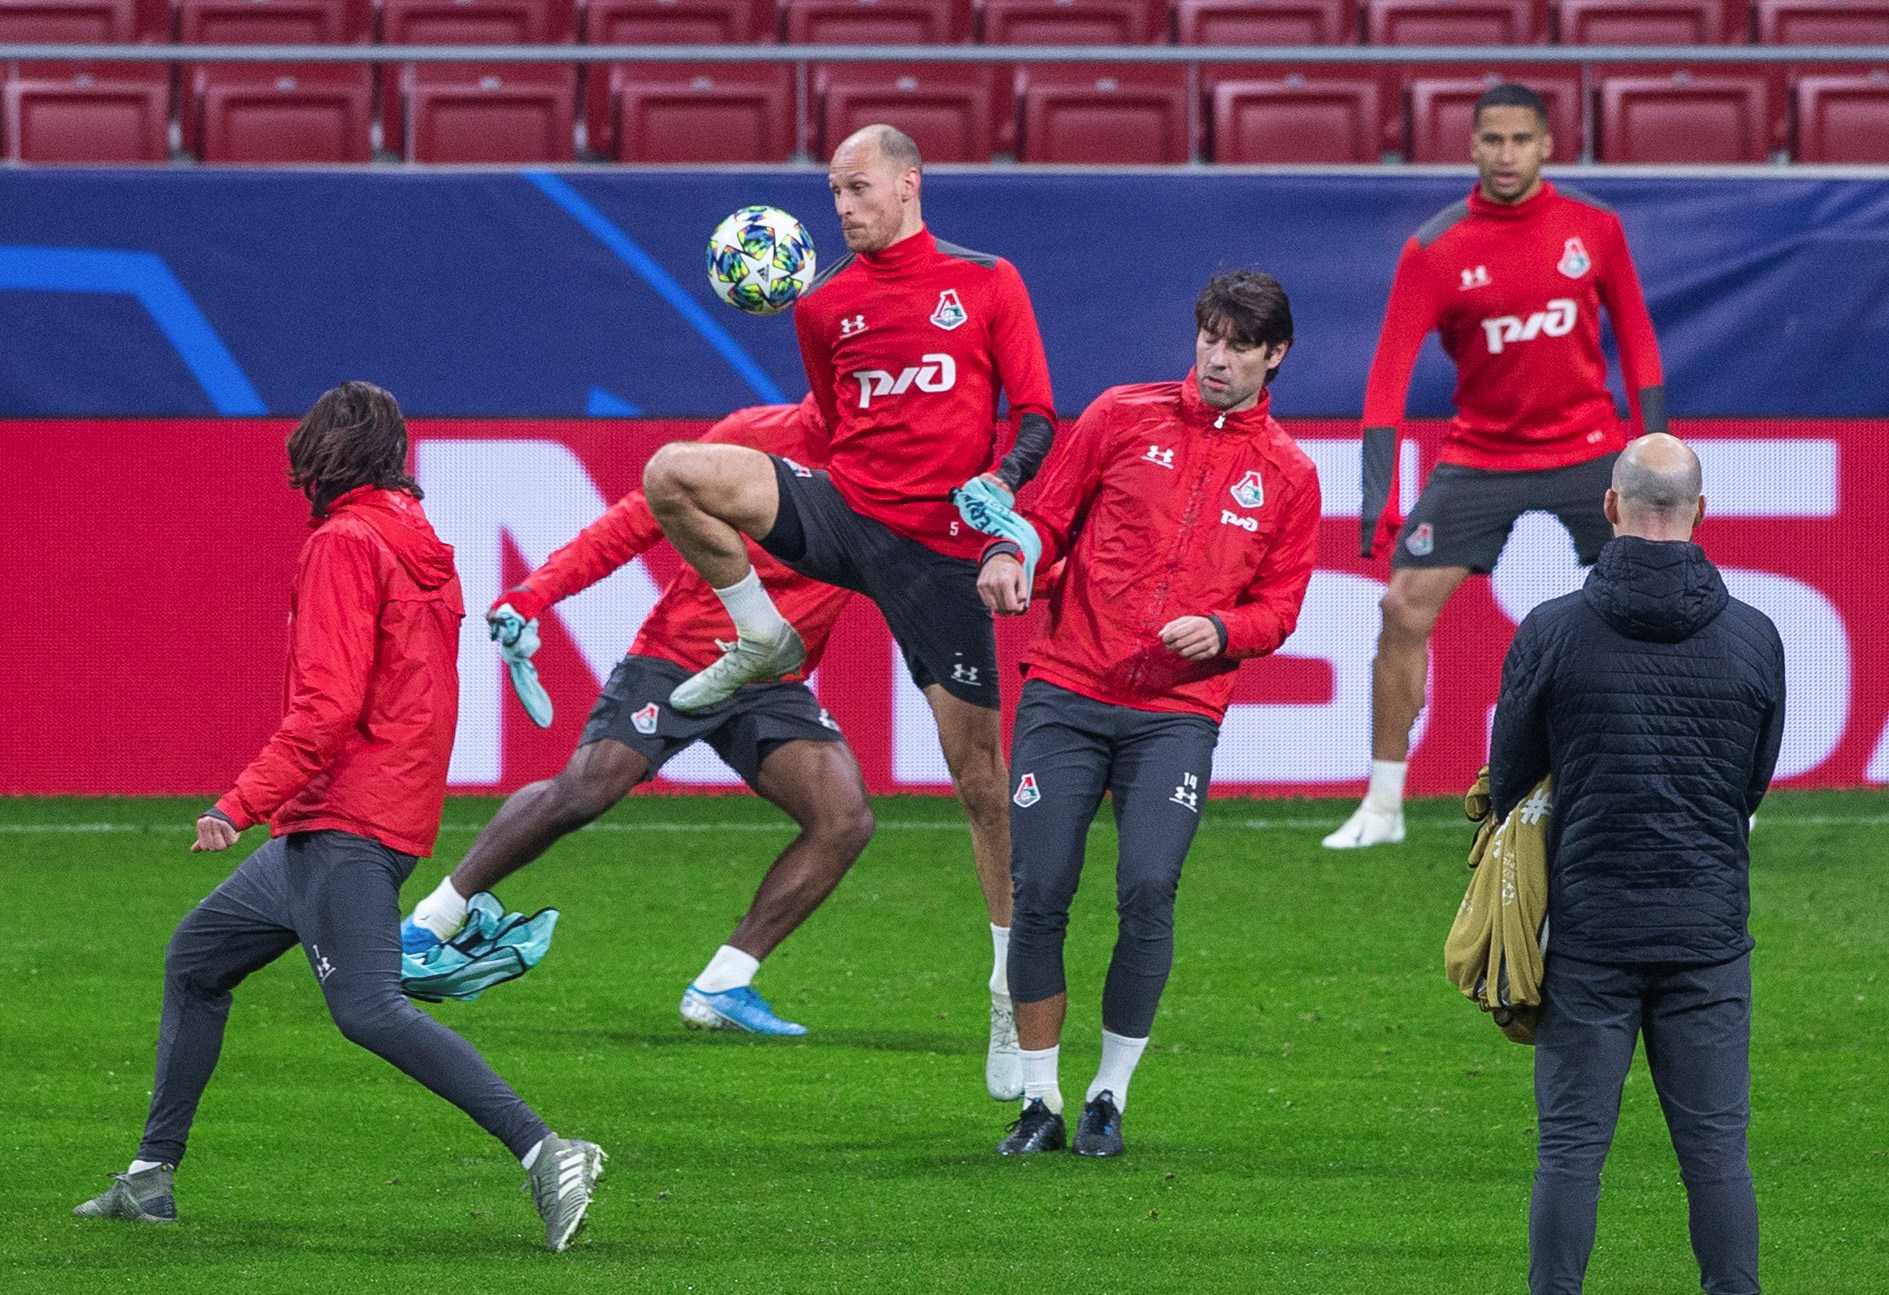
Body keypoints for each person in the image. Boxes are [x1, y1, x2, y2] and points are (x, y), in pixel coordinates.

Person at [73, 382, 603, 1251]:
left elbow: (325, 706)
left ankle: (548, 1148)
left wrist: (240, 801)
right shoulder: (418, 539)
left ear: (318, 456)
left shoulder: (343, 544)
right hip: (363, 810)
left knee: (367, 1008)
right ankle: (149, 1176)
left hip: (344, 814)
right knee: (198, 960)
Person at [642, 124, 1057, 1100]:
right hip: (842, 514)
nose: (841, 208)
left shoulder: (986, 281)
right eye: (832, 192)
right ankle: (759, 629)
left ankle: (1008, 982)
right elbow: (830, 427)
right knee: (672, 474)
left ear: (909, 184)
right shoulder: (823, 302)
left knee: (980, 783)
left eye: (857, 188)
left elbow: (1037, 413)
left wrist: (1000, 485)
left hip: (935, 553)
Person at [978, 271, 1320, 1156]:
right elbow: (1045, 519)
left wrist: (1224, 629)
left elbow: (1281, 608)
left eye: (1238, 346)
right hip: (1067, 689)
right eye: (1209, 338)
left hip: (1175, 712)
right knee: (1039, 889)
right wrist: (1010, 555)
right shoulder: (1119, 415)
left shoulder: (1288, 474)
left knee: (1147, 887)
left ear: (1274, 355)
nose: (1217, 358)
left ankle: (1107, 1095)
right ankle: (1040, 1100)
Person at [401, 398, 875, 1036]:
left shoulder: (893, 465)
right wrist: (534, 594)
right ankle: (430, 922)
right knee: (585, 790)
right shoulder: (754, 434)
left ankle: (724, 984)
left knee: (843, 819)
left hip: (771, 679)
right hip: (680, 656)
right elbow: (631, 523)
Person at [1326, 82, 1666, 850]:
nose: (1505, 154)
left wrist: (1654, 452)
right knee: (1400, 608)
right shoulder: (1434, 248)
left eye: (1519, 139)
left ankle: (1691, 779)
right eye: (1491, 140)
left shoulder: (1594, 227)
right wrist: (1377, 494)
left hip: (1587, 448)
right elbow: (1386, 377)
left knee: (1661, 600)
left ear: (1546, 145)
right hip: (1481, 454)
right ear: (1471, 146)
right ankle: (1382, 804)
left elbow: (1639, 342)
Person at [1488, 433, 1784, 1294]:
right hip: (1707, 933)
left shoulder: (1551, 630)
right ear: (1700, 511)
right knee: (1716, 1156)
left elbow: (1510, 782)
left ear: (1610, 506)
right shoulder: (1754, 636)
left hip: (1589, 933)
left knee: (1569, 1151)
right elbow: (1750, 782)